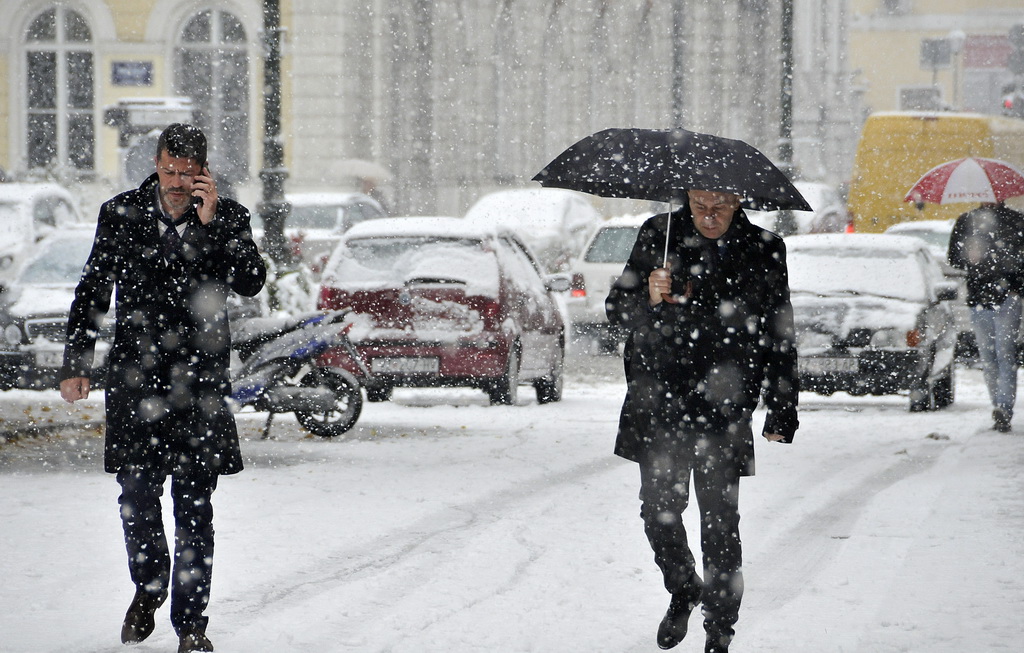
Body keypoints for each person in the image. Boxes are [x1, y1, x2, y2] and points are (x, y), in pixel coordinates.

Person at [59, 123, 266, 653]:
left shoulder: (228, 217)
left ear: (203, 171)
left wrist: (212, 223)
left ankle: (192, 625)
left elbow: (250, 281)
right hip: (135, 382)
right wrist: (76, 362)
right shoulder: (121, 213)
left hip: (199, 386)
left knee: (195, 506)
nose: (175, 182)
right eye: (168, 170)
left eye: (186, 173)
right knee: (137, 499)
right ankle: (148, 590)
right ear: (156, 162)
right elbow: (92, 291)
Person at [605, 189, 799, 652]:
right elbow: (616, 313)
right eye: (700, 207)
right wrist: (648, 299)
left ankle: (720, 629)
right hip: (659, 400)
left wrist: (783, 404)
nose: (710, 217)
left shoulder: (764, 248)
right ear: (686, 199)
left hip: (724, 405)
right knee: (658, 512)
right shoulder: (659, 235)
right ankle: (683, 588)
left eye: (722, 206)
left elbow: (779, 327)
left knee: (719, 523)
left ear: (740, 201)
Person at [947, 201, 1024, 432]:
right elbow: (953, 258)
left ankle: (1004, 407)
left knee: (1004, 354)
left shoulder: (1015, 220)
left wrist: (1014, 283)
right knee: (989, 357)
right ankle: (999, 408)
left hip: (1007, 298)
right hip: (979, 298)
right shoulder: (967, 221)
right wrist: (968, 256)